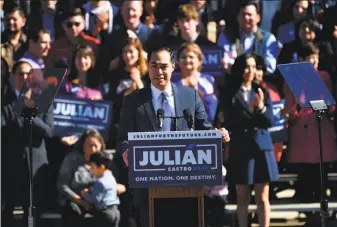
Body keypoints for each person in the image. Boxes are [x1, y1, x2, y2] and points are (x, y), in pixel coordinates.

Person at [116, 47, 230, 227]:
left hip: (187, 185)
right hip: (149, 185)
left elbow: (205, 129)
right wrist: (126, 150)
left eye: (163, 66)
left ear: (172, 67)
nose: (159, 72)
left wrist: (218, 135)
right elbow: (123, 138)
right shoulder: (133, 100)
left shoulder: (190, 95)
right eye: (154, 66)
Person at [224, 53, 279, 227]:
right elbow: (228, 120)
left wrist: (261, 107)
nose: (251, 71)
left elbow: (269, 121)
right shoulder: (230, 92)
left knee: (263, 195)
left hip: (262, 147)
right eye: (247, 67)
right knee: (242, 194)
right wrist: (249, 109)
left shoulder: (262, 90)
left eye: (254, 67)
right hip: (241, 147)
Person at [2, 60, 54, 226]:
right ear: (13, 76)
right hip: (10, 164)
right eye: (21, 73)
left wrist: (29, 117)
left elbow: (49, 131)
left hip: (35, 165)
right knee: (7, 211)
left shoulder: (43, 100)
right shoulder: (5, 101)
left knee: (33, 214)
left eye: (28, 74)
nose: (25, 77)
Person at [283, 42, 337, 202]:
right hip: (302, 134)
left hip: (322, 132)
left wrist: (326, 107)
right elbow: (288, 110)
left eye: (316, 58)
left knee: (322, 179)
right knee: (306, 181)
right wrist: (298, 106)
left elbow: (331, 105)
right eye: (310, 58)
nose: (314, 61)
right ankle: (310, 215)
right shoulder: (291, 79)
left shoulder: (324, 76)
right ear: (300, 59)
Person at [57, 128, 125, 227]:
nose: (92, 149)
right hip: (76, 200)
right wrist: (80, 201)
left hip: (100, 202)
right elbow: (62, 185)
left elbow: (116, 184)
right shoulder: (72, 159)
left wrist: (115, 188)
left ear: (101, 146)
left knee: (112, 213)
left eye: (95, 146)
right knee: (72, 211)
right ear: (83, 146)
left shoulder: (106, 161)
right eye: (89, 146)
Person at [175, 42, 218, 123]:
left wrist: (196, 92)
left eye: (191, 57)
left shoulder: (208, 80)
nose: (187, 60)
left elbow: (213, 108)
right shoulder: (173, 82)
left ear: (199, 61)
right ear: (178, 61)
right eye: (183, 57)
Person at [80, 152, 122, 227]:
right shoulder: (111, 177)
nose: (91, 170)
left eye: (93, 167)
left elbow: (95, 199)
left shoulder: (100, 182)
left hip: (105, 214)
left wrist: (85, 194)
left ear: (102, 167)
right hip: (115, 212)